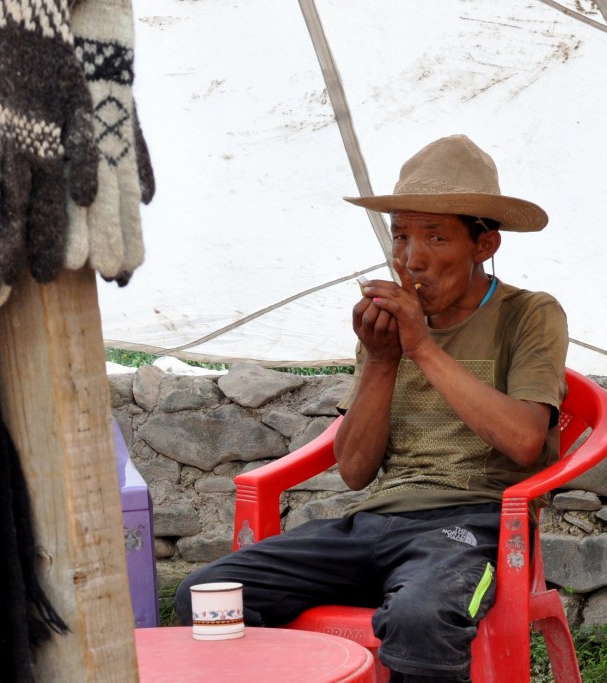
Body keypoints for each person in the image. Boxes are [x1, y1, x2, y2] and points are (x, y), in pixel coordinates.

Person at [175, 134, 568, 682]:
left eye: (435, 237)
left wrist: (423, 349)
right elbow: (356, 472)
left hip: (471, 525)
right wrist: (383, 360)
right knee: (208, 595)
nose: (413, 259)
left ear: (485, 245)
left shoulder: (527, 314)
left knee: (421, 615)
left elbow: (527, 442)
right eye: (401, 236)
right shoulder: (387, 330)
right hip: (373, 524)